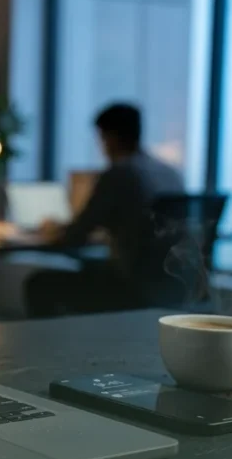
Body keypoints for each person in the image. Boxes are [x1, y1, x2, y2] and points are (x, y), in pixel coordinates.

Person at [24, 103, 185, 318]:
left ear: (110, 137)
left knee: (38, 284)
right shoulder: (170, 172)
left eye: (101, 138)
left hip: (132, 286)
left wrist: (53, 232)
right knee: (93, 267)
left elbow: (78, 233)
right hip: (173, 284)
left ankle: (53, 349)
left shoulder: (120, 173)